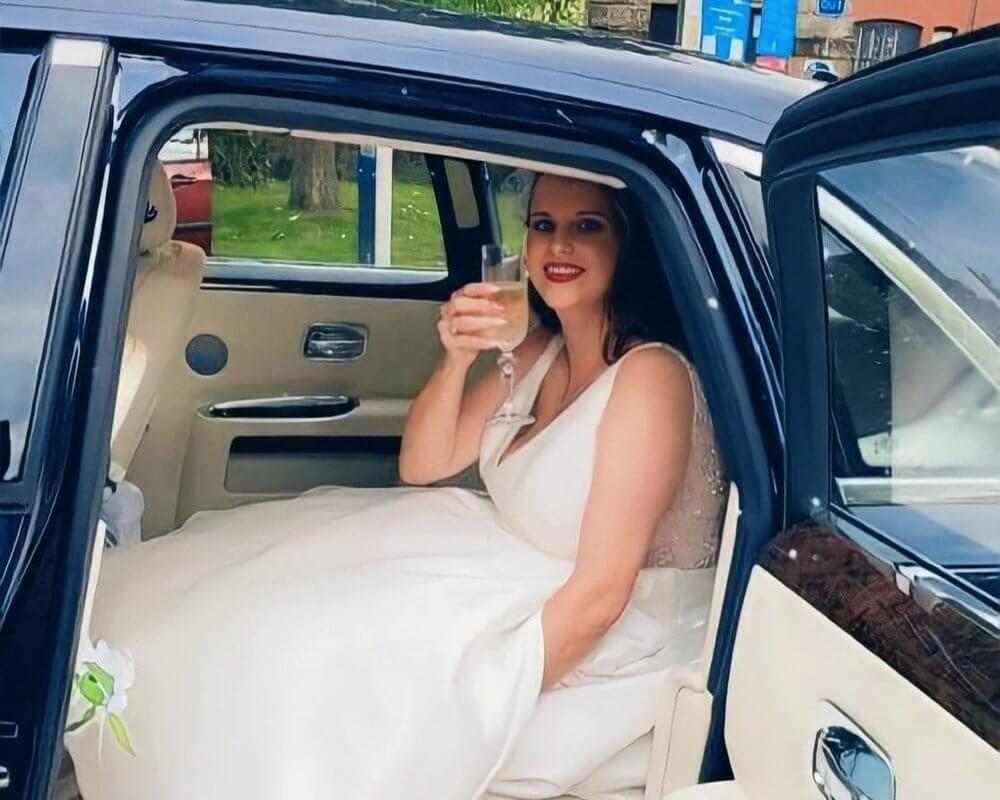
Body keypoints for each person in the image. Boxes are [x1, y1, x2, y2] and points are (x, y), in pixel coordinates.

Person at [66, 174, 725, 800]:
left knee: (304, 656)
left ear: (627, 244)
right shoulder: (534, 351)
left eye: (588, 226)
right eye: (543, 224)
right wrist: (458, 355)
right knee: (260, 586)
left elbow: (604, 596)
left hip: (609, 627)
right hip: (498, 564)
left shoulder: (648, 379)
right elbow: (424, 462)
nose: (558, 246)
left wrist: (479, 701)